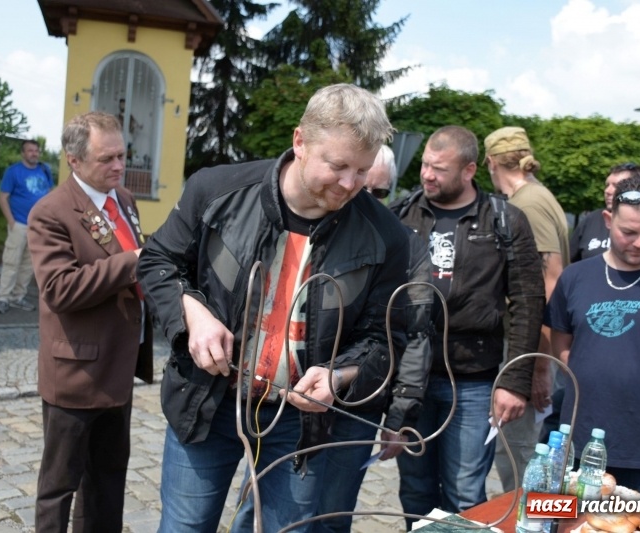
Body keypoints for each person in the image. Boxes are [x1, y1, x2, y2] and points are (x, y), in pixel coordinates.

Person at [136, 84, 411, 533]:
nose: (349, 184)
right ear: (300, 142)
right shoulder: (217, 190)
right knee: (186, 526)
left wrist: (339, 375)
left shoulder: (385, 236)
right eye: (338, 166)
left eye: (361, 171)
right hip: (209, 399)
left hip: (297, 420)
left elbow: (384, 339)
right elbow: (157, 261)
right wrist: (192, 311)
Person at [390, 125, 544, 528]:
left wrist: (516, 381)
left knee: (465, 494)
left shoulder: (506, 220)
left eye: (439, 168)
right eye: (424, 164)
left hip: (475, 381)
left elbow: (528, 303)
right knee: (415, 490)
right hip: (412, 380)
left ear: (469, 170)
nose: (427, 175)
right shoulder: (403, 214)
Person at [27, 112, 154, 531]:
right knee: (59, 487)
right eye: (107, 159)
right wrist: (132, 262)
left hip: (118, 368)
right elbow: (60, 289)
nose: (119, 166)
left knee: (108, 480)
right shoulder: (51, 212)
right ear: (74, 161)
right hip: (76, 373)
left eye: (123, 155)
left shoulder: (125, 201)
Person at [546, 175, 640, 497]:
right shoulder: (575, 277)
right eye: (629, 232)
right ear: (609, 220)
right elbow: (562, 345)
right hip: (579, 448)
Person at [314, 145, 434, 533]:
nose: (364, 198)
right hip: (300, 392)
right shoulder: (316, 225)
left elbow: (416, 332)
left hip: (360, 402)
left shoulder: (405, 243)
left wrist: (399, 416)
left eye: (378, 192)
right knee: (265, 508)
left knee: (332, 514)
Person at [484, 126, 570, 492]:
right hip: (533, 349)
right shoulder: (536, 195)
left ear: (489, 163)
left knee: (520, 462)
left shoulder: (527, 204)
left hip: (530, 351)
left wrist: (535, 366)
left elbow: (549, 286)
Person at [569, 162, 640, 262]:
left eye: (617, 185)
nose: (608, 191)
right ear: (608, 220)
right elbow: (570, 260)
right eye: (607, 185)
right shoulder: (590, 220)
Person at [0, 140, 53, 314]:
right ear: (23, 153)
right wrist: (11, 222)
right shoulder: (13, 172)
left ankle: (18, 296)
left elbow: (50, 193)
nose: (34, 153)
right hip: (19, 224)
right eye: (30, 151)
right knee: (11, 261)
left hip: (39, 226)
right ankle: (3, 297)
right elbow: (3, 197)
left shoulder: (44, 169)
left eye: (36, 150)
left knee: (29, 264)